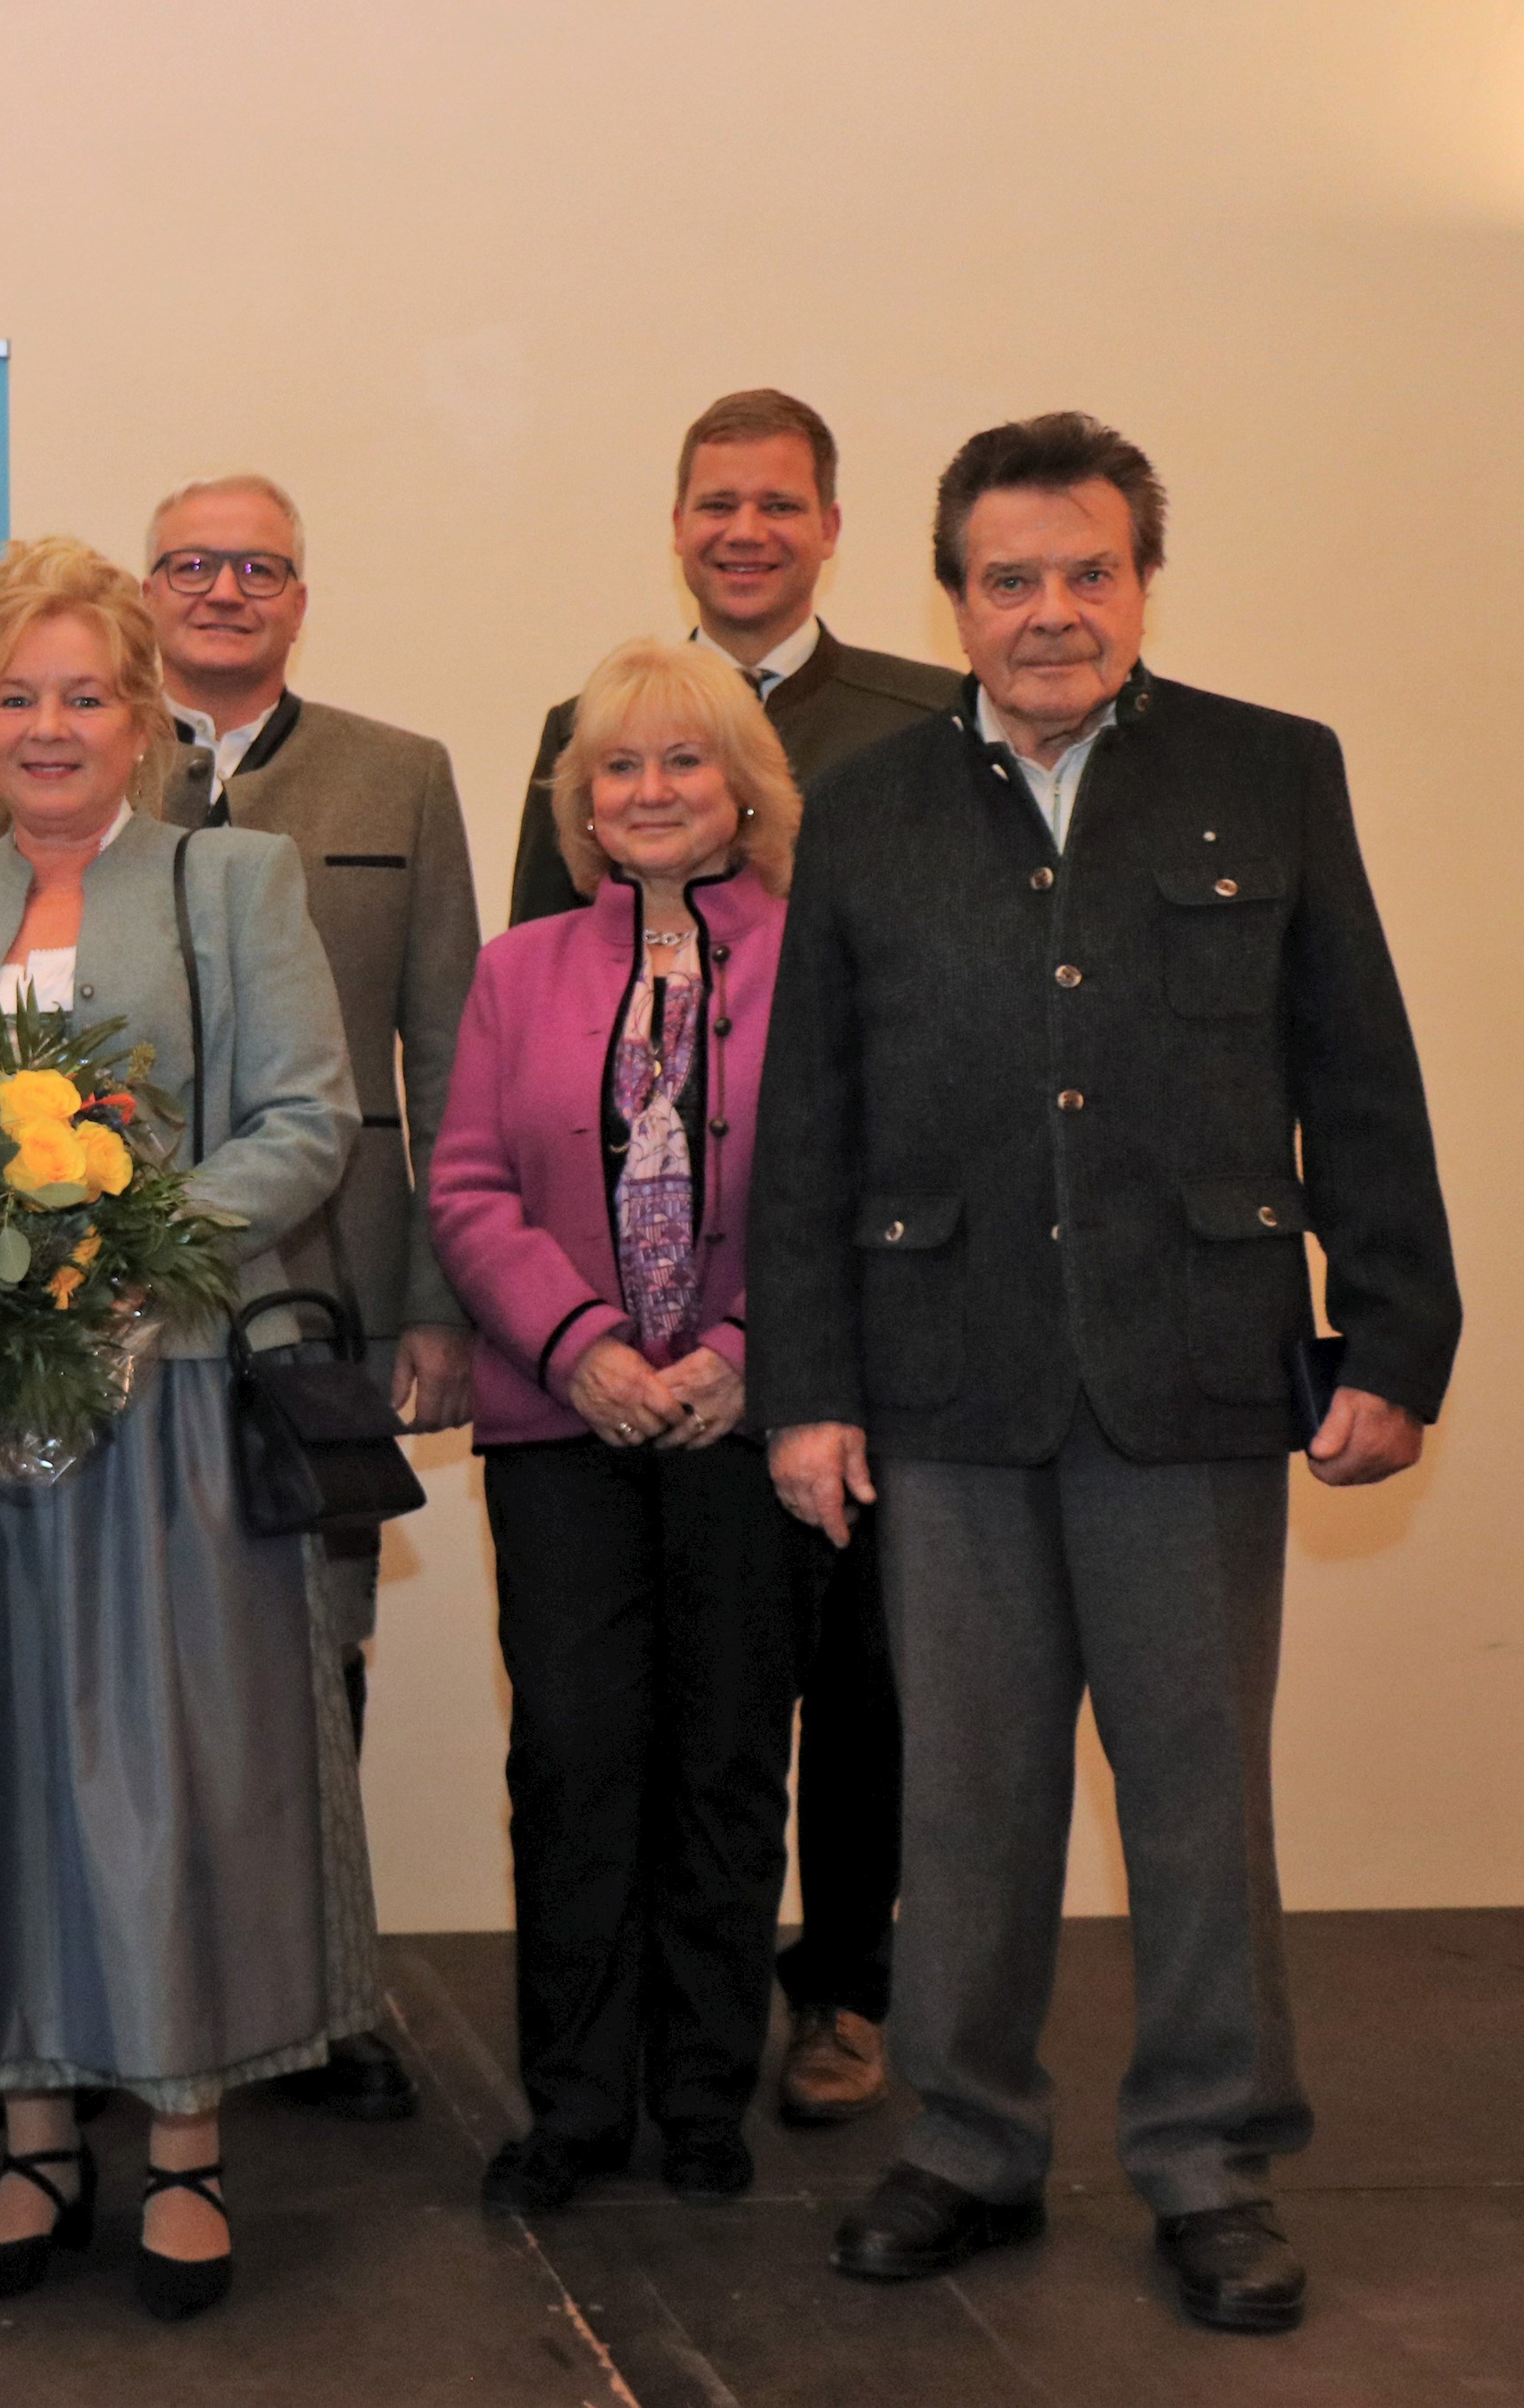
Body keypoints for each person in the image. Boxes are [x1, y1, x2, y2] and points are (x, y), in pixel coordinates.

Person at [753, 413, 1460, 2335]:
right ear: (953, 597)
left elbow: (1358, 1071)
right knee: (965, 1795)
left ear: (1138, 580)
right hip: (943, 1379)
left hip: (1194, 1374)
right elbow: (805, 1120)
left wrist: (1394, 1339)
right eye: (1008, 579)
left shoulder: (1267, 771)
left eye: (1085, 572)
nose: (1048, 611)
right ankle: (966, 2142)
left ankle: (1207, 2160)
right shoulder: (872, 805)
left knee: (1193, 1794)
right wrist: (803, 1387)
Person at [0, 537, 365, 2324]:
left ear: (140, 715)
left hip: (166, 1405)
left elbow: (304, 1122)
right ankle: (32, 2134)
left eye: (84, 693)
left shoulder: (233, 878)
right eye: (13, 694)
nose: (47, 726)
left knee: (162, 1782)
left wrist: (121, 1260)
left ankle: (186, 2146)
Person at [512, 390, 958, 2125]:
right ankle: (625, 2030)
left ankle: (840, 1985)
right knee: (639, 1717)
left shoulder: (923, 718)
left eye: (778, 503)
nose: (744, 529)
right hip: (621, 1344)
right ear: (678, 522)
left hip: (863, 1291)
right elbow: (536, 1023)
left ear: (830, 524)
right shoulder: (584, 712)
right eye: (714, 502)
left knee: (855, 1679)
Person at [426, 639, 812, 2214]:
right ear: (583, 801)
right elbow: (465, 1188)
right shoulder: (519, 968)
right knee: (576, 1762)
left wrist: (741, 1350)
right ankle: (577, 2108)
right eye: (619, 767)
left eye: (684, 762)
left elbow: (842, 1192)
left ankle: (707, 2097)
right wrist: (580, 1347)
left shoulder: (819, 957)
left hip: (750, 1427)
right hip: (558, 1424)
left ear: (741, 795)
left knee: (726, 1761)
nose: (649, 791)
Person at [137, 471, 482, 2123]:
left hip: (327, 1280)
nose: (223, 589)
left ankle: (319, 1992)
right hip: (111, 1272)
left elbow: (456, 1054)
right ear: (147, 590)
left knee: (317, 1641)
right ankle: (147, 1966)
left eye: (256, 565)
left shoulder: (399, 773)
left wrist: (440, 1300)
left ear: (300, 594)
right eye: (192, 563)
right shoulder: (73, 758)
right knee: (137, 1631)